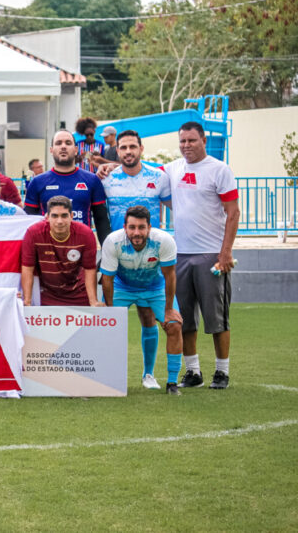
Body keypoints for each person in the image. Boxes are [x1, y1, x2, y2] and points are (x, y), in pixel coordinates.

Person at [164, 121, 240, 390]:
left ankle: (222, 372)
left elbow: (233, 212)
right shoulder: (173, 168)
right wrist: (107, 165)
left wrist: (225, 252)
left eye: (192, 140)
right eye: (182, 141)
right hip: (180, 255)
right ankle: (193, 372)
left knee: (216, 318)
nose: (186, 146)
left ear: (204, 141)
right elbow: (141, 171)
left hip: (211, 255)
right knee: (184, 318)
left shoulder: (219, 169)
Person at [100, 206, 184, 395]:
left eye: (141, 227)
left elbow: (170, 276)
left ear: (149, 227)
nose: (136, 232)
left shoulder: (164, 241)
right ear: (125, 227)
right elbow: (107, 279)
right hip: (122, 288)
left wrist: (169, 310)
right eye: (132, 227)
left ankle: (170, 382)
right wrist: (110, 311)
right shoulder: (113, 241)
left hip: (155, 288)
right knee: (105, 327)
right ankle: (107, 378)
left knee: (174, 325)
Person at [24, 129, 112, 245]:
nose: (63, 146)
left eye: (68, 143)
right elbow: (28, 222)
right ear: (51, 150)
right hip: (47, 250)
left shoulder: (92, 180)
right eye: (58, 143)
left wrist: (106, 250)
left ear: (76, 150)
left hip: (81, 248)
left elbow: (101, 220)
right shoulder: (37, 182)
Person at [20, 196, 100, 306]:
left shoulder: (86, 234)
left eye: (64, 216)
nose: (59, 221)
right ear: (47, 217)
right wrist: (27, 301)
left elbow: (90, 270)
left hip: (78, 292)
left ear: (71, 216)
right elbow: (28, 268)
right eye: (54, 216)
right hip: (46, 294)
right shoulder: (33, 233)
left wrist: (93, 301)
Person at [101, 129, 171, 230]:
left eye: (132, 146)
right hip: (118, 240)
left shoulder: (159, 177)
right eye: (123, 148)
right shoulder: (106, 179)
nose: (128, 151)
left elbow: (178, 209)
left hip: (151, 240)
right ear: (118, 151)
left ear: (141, 148)